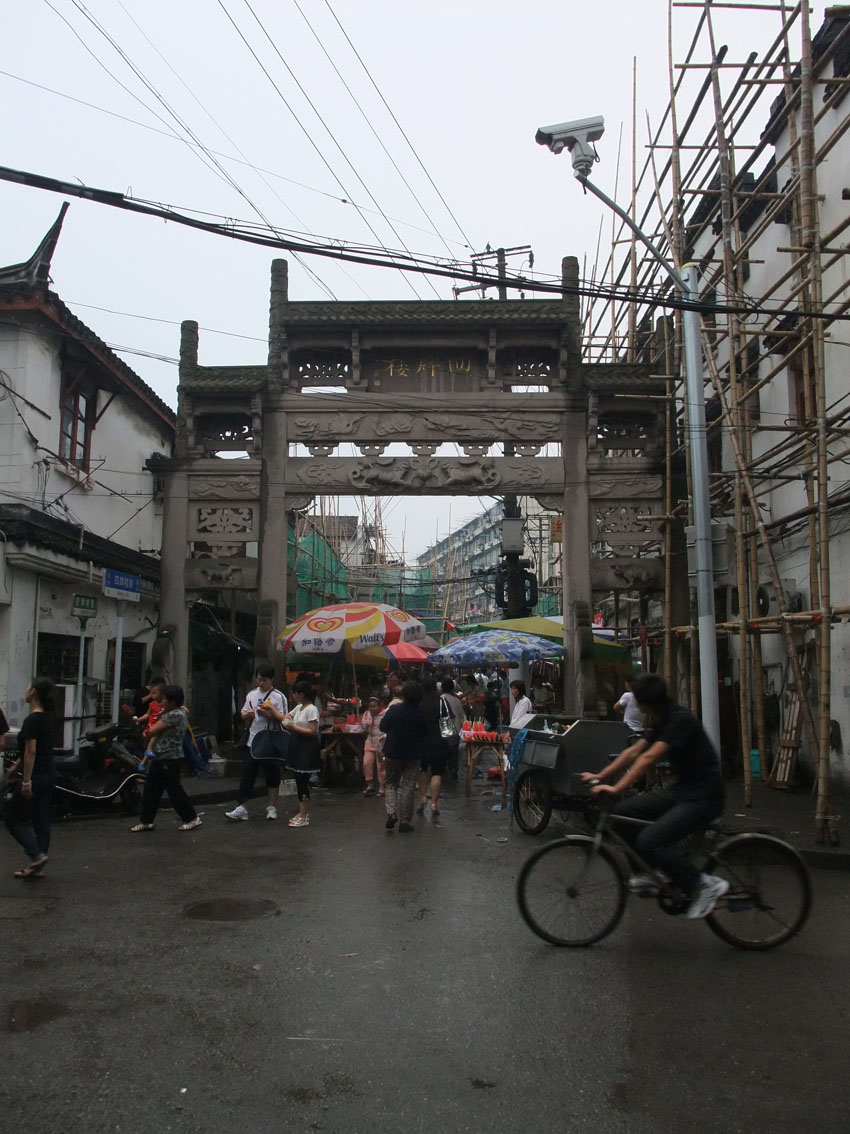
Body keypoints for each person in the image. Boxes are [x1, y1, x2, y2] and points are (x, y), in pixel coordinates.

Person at [579, 673, 728, 920]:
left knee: (650, 840)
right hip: (683, 791)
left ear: (646, 702)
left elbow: (647, 758)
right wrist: (600, 775)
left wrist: (616, 789)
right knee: (622, 812)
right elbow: (633, 752)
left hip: (704, 796)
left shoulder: (680, 720)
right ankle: (644, 873)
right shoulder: (662, 720)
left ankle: (702, 884)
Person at [131, 685, 201, 833]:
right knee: (151, 790)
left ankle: (192, 818)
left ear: (172, 702)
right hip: (160, 757)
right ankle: (147, 821)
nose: (161, 702)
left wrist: (146, 732)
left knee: (174, 791)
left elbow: (152, 731)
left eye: (164, 700)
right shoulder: (177, 712)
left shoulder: (174, 715)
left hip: (170, 758)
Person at [4, 677, 56, 877]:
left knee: (11, 816)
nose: (25, 690)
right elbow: (31, 750)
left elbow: (31, 752)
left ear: (33, 692)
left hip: (36, 776)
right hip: (49, 774)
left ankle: (35, 855)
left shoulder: (32, 720)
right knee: (41, 821)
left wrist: (26, 781)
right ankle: (37, 864)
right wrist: (15, 766)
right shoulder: (48, 717)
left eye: (28, 687)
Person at [226, 666, 289, 821]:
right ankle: (242, 807)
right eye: (259, 679)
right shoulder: (252, 694)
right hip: (253, 740)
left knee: (272, 774)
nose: (260, 683)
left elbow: (285, 719)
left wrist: (268, 713)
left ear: (272, 680)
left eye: (264, 680)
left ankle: (272, 806)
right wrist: (247, 715)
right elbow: (243, 713)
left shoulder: (278, 697)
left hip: (270, 740)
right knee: (247, 774)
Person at [380, 681, 427, 833]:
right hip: (413, 753)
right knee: (408, 785)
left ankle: (391, 813)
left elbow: (383, 727)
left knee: (390, 783)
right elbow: (425, 733)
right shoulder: (421, 714)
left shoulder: (394, 710)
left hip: (393, 752)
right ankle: (405, 821)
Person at [282, 681, 322, 828]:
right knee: (298, 778)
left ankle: (304, 814)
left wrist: (294, 727)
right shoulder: (299, 707)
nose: (293, 696)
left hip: (307, 746)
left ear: (301, 694)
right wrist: (287, 721)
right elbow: (287, 716)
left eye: (295, 693)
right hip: (297, 745)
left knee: (302, 780)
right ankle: (301, 812)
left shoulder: (311, 709)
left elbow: (313, 730)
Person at [416, 678, 448, 819]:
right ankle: (434, 804)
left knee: (422, 769)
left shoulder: (418, 702)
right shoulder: (440, 702)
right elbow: (447, 720)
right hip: (437, 740)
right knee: (436, 772)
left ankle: (423, 797)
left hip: (421, 740)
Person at [437, 677, 465, 780]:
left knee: (443, 750)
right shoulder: (457, 700)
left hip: (442, 730)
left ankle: (442, 768)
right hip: (455, 730)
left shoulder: (439, 699)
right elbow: (462, 717)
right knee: (454, 752)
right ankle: (454, 770)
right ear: (452, 688)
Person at [361, 695, 387, 796]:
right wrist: (364, 724)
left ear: (379, 706)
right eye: (370, 706)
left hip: (381, 743)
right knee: (367, 763)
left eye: (374, 706)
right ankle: (370, 785)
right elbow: (364, 728)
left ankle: (382, 787)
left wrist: (384, 736)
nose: (372, 708)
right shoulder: (366, 714)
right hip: (369, 741)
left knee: (381, 765)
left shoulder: (385, 713)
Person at [614, 675, 646, 741]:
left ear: (628, 684)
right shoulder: (644, 696)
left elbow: (616, 707)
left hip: (629, 730)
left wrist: (622, 710)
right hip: (641, 731)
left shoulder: (628, 695)